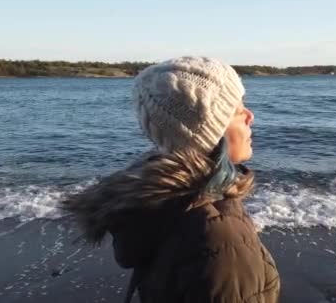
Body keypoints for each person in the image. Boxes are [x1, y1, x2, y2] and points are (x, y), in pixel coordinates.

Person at [62, 56, 280, 303]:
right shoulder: (216, 234)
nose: (250, 116)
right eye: (238, 111)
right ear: (208, 133)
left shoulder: (163, 206)